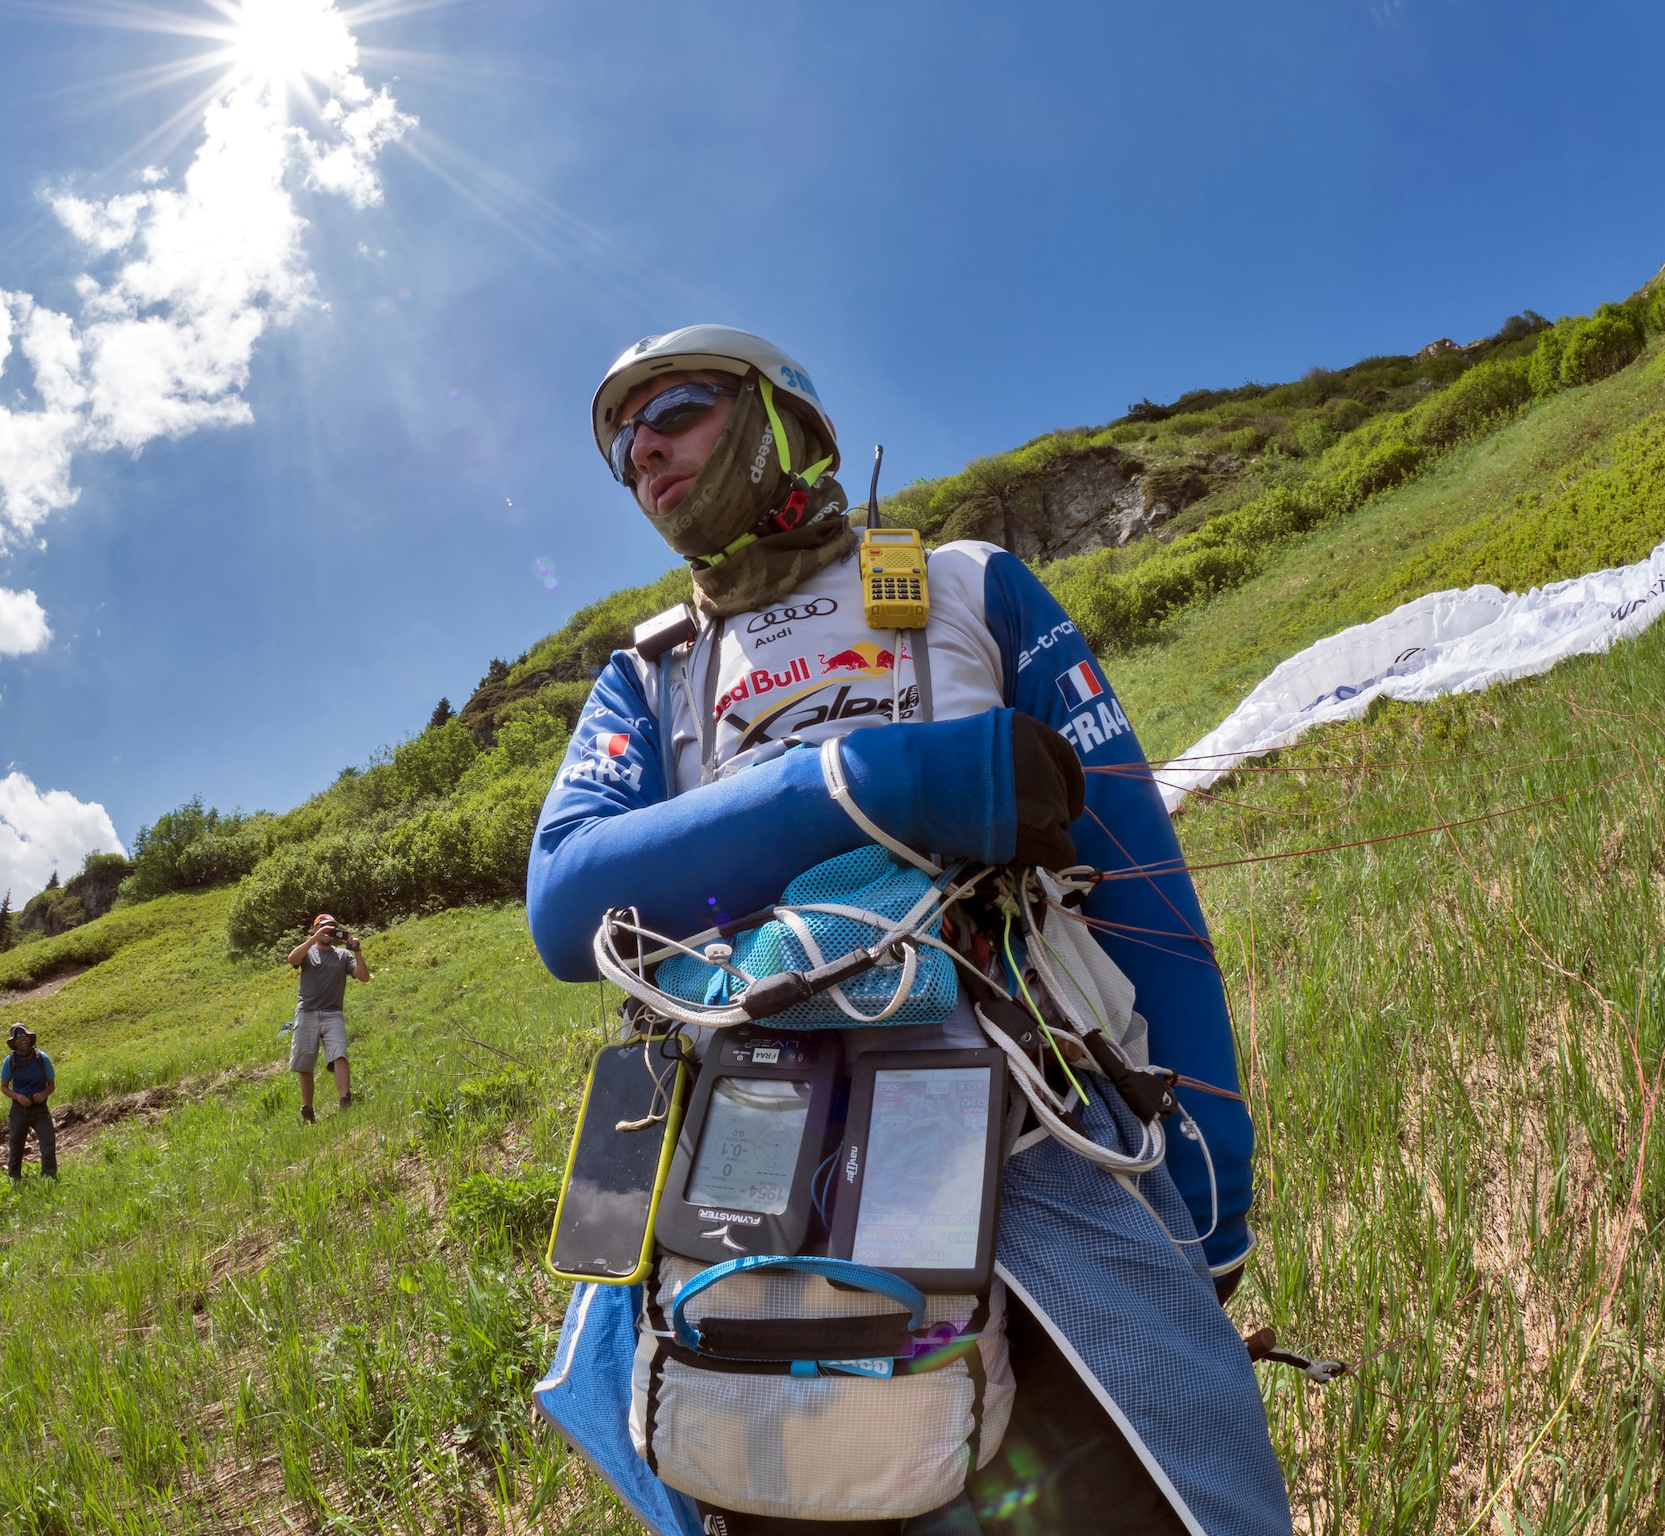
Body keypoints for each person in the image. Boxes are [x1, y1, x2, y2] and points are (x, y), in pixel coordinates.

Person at [524, 328, 1292, 1535]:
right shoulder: (649, 679)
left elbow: (1141, 884)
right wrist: (850, 783)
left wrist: (1212, 1186)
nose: (642, 450)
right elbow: (566, 899)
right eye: (622, 445)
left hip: (1034, 1138)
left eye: (673, 407)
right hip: (746, 1192)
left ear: (790, 423)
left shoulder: (968, 590)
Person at [286, 914, 369, 1123]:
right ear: (315, 929)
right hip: (307, 1013)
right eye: (324, 928)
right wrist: (313, 939)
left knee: (339, 1053)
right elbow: (292, 959)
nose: (328, 932)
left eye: (332, 929)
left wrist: (356, 950)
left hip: (333, 1013)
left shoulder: (342, 955)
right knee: (305, 1062)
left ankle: (345, 1101)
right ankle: (307, 1111)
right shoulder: (308, 951)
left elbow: (363, 976)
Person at [0, 1022, 56, 1181]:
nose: (22, 1038)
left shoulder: (42, 1058)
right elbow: (4, 1087)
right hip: (19, 1110)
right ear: (14, 1043)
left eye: (23, 1035)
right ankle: (14, 1180)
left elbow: (51, 1085)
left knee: (48, 1144)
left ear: (30, 1038)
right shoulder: (9, 1061)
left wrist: (43, 1094)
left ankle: (49, 1179)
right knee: (16, 1147)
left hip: (40, 1109)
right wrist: (17, 1097)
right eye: (17, 1037)